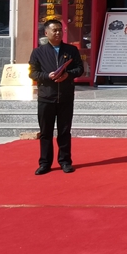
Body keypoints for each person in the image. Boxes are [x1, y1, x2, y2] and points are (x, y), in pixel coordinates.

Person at [28, 19, 85, 175]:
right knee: (45, 132)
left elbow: (79, 69)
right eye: (55, 30)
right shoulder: (38, 52)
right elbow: (33, 73)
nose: (58, 33)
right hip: (46, 97)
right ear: (46, 33)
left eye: (60, 30)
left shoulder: (71, 50)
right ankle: (45, 163)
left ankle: (65, 161)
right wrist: (47, 76)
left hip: (65, 97)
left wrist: (67, 75)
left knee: (64, 132)